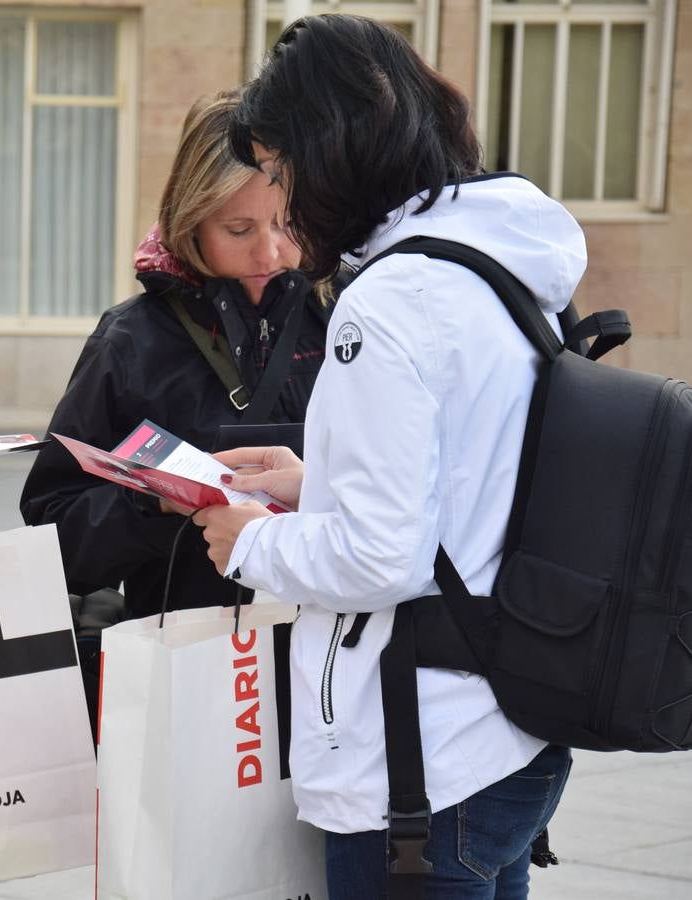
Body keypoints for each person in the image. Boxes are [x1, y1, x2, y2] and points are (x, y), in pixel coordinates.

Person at [194, 15, 580, 898]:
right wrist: (318, 483)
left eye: (281, 172)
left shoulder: (393, 300)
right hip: (507, 721)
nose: (282, 205)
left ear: (331, 154)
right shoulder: (498, 267)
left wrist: (250, 543)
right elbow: (476, 476)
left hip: (419, 760)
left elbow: (380, 554)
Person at [20, 88, 334, 622]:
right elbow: (55, 540)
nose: (270, 252)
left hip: (340, 673)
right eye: (239, 229)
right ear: (191, 221)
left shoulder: (347, 320)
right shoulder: (131, 340)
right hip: (187, 671)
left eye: (287, 223)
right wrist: (157, 501)